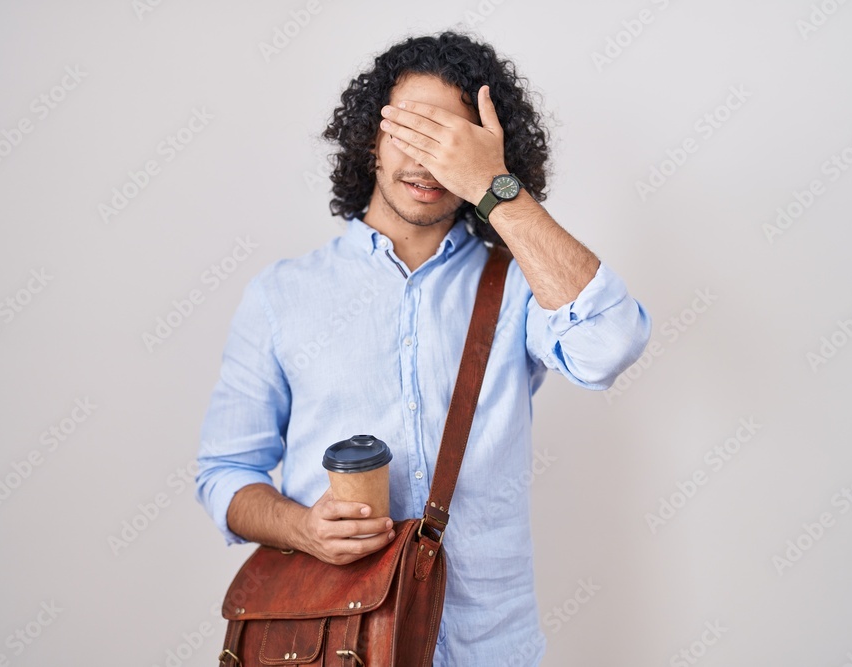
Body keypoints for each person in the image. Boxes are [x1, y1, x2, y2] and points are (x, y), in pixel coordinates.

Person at [195, 31, 650, 666]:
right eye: (409, 131)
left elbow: (611, 343)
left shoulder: (519, 281)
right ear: (370, 139)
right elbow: (225, 474)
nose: (426, 160)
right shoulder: (281, 295)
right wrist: (302, 528)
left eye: (451, 141)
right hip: (329, 644)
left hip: (488, 648)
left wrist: (496, 188)